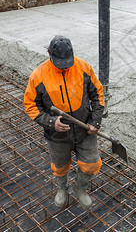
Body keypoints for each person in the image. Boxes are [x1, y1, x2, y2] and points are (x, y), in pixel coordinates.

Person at [24, 35, 105, 210]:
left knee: (92, 163)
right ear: (49, 53)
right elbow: (30, 105)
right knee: (60, 167)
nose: (64, 66)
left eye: (67, 62)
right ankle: (62, 188)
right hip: (57, 135)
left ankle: (79, 187)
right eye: (59, 62)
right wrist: (51, 122)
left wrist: (95, 121)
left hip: (85, 129)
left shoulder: (83, 67)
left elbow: (97, 94)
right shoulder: (38, 76)